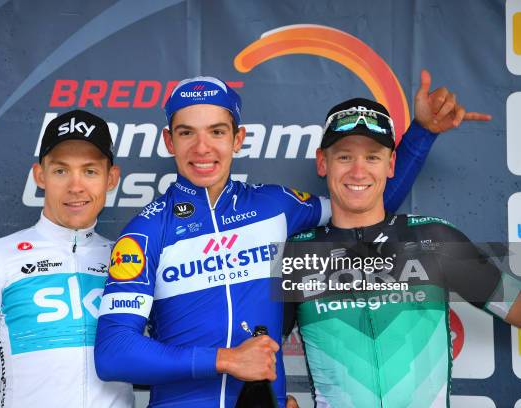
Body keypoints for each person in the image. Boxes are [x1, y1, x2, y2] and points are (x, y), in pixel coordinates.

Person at [94, 74, 488, 408]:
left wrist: (421, 134)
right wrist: (225, 360)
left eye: (216, 131)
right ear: (168, 141)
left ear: (238, 138)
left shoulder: (275, 205)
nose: (202, 148)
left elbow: (361, 202)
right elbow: (114, 354)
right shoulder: (145, 231)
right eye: (186, 133)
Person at [284, 97, 521, 407]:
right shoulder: (297, 255)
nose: (358, 171)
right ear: (322, 162)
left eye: (372, 157)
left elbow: (515, 303)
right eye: (344, 157)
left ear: (391, 164)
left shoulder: (434, 239)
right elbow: (258, 349)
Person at [0, 110, 134, 407]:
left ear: (111, 178)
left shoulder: (127, 262)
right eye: (61, 171)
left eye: (90, 171)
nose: (76, 186)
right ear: (39, 175)